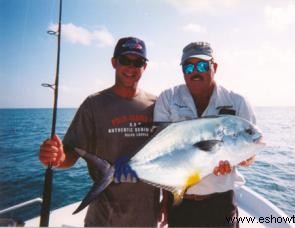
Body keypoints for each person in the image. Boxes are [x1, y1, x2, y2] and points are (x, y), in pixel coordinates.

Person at [39, 37, 160, 226]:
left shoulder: (157, 105)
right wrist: (57, 158)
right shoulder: (93, 105)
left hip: (146, 218)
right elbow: (69, 154)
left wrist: (166, 203)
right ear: (114, 62)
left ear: (145, 66)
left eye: (138, 62)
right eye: (125, 61)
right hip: (103, 219)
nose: (131, 67)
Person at [155, 41, 257, 227]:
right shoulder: (168, 98)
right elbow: (162, 154)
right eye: (188, 66)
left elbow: (251, 153)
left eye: (202, 65)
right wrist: (164, 200)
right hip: (180, 203)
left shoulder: (237, 102)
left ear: (214, 67)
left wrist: (238, 159)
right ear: (182, 70)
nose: (195, 72)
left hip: (221, 203)